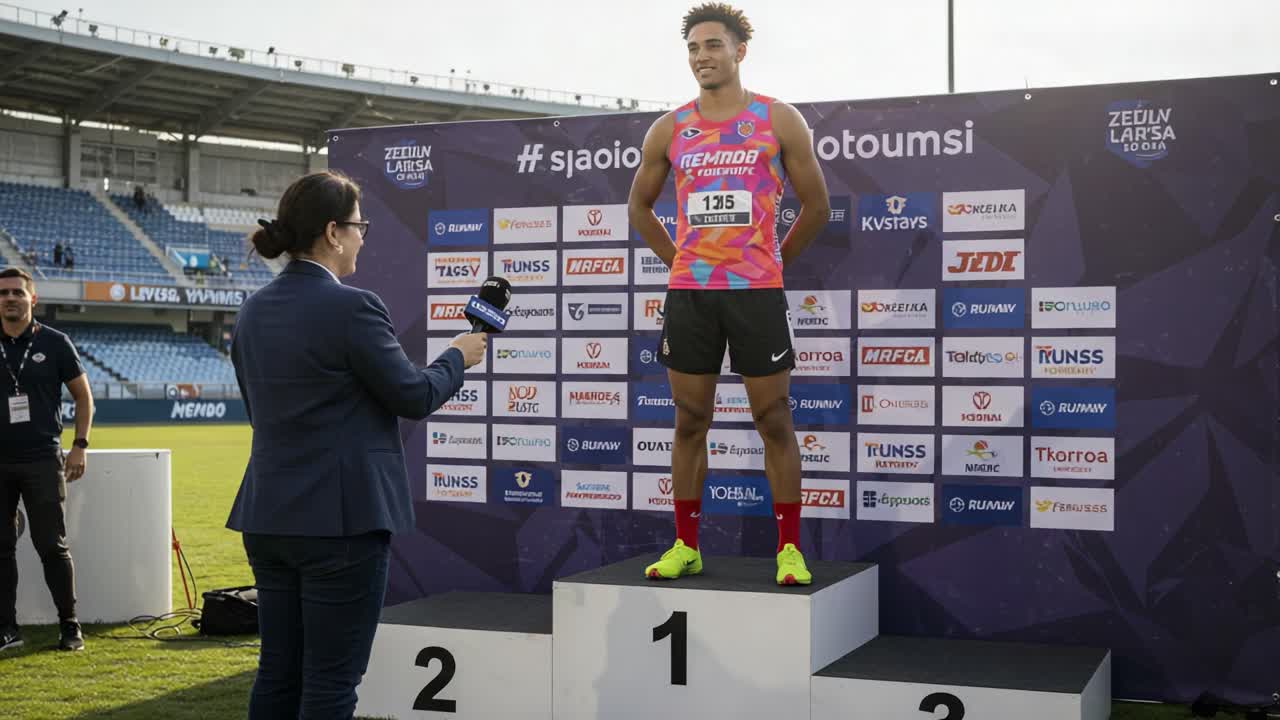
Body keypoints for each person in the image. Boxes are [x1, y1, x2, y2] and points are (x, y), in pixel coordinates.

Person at [227, 170, 486, 719]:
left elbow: (260, 411)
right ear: (333, 232)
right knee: (331, 681)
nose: (363, 238)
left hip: (268, 514)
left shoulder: (252, 309)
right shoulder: (352, 307)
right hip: (340, 523)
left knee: (277, 672)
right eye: (359, 227)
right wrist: (458, 356)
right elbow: (414, 394)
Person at [628, 2, 830, 585]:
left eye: (712, 45)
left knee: (773, 418)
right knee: (690, 420)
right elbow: (638, 207)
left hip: (756, 294)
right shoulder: (669, 128)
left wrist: (773, 263)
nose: (702, 57)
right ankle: (686, 545)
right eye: (693, 48)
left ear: (740, 51)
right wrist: (679, 262)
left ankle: (788, 549)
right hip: (691, 295)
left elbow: (817, 206)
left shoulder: (778, 119)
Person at [0, 267, 94, 653]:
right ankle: (7, 628)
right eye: (3, 293)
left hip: (42, 459)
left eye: (17, 292)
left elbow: (83, 397)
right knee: (0, 548)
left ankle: (69, 624)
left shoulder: (55, 343)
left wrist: (80, 445)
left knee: (52, 546)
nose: (10, 298)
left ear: (32, 299)